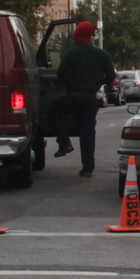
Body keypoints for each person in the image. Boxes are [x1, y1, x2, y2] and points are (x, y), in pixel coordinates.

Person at [53, 21, 117, 177]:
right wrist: (97, 83)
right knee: (87, 132)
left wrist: (70, 83)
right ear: (90, 36)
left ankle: (64, 142)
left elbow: (60, 73)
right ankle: (88, 168)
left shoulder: (71, 54)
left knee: (53, 113)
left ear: (77, 36)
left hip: (73, 96)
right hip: (90, 97)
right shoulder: (103, 55)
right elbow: (111, 76)